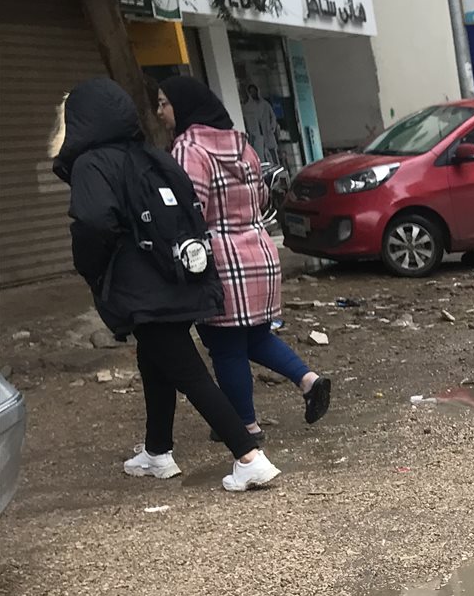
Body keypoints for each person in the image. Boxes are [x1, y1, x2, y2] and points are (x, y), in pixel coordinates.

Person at [50, 78, 278, 492]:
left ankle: (249, 457)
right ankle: (157, 452)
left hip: (142, 288)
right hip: (177, 276)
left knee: (188, 371)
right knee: (154, 362)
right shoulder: (150, 155)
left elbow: (93, 224)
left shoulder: (92, 164)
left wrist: (94, 271)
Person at [161, 77, 331, 445]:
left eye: (164, 103)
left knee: (224, 346)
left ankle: (245, 426)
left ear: (185, 107)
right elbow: (262, 197)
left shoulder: (189, 149)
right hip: (260, 252)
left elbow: (191, 209)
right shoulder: (243, 146)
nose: (160, 112)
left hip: (222, 260)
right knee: (254, 336)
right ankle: (308, 380)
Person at [240, 83, 279, 163]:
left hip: (267, 132)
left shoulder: (265, 104)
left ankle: (277, 166)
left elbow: (272, 116)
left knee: (272, 153)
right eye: (251, 92)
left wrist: (272, 127)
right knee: (261, 156)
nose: (253, 93)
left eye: (254, 91)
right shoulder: (247, 107)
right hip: (257, 135)